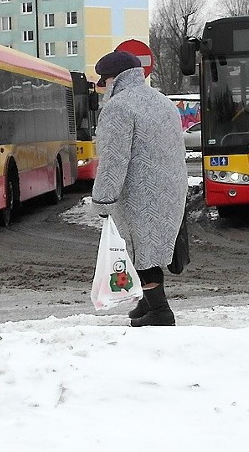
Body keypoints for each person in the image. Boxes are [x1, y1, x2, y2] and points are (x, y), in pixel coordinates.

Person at [90, 50, 188, 327]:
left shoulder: (118, 107)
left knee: (142, 253)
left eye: (103, 80)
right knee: (152, 251)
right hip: (170, 188)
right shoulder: (163, 101)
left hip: (139, 192)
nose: (102, 86)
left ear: (113, 79)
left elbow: (113, 158)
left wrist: (103, 200)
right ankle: (145, 305)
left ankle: (160, 312)